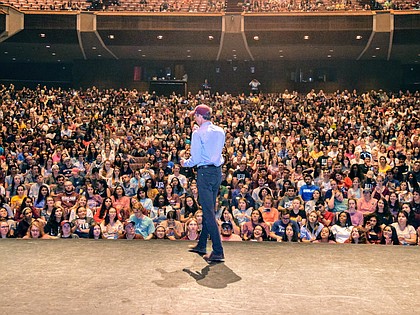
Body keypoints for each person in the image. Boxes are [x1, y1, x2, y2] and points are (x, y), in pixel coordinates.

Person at [181, 104, 226, 262]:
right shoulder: (220, 131)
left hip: (205, 173)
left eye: (195, 115)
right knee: (210, 208)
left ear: (200, 117)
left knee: (208, 212)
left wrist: (184, 163)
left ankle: (218, 251)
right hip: (217, 172)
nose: (194, 118)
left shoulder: (198, 134)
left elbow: (196, 159)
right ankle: (201, 245)